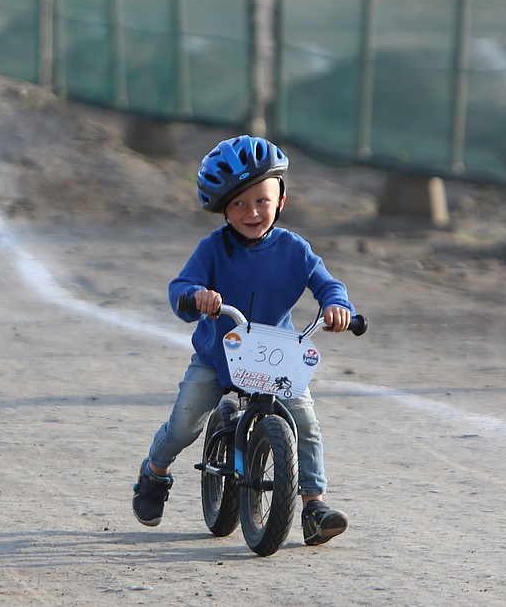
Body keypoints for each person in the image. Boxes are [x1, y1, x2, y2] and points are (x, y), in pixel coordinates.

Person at [133, 134, 355, 545]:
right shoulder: (213, 249)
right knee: (185, 422)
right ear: (222, 209)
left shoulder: (295, 249)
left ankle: (313, 505)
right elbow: (180, 286)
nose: (252, 212)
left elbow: (328, 284)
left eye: (261, 201)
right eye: (238, 204)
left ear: (281, 201)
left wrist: (336, 307)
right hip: (219, 357)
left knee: (304, 422)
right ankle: (155, 473)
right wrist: (195, 296)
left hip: (276, 356)